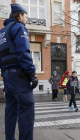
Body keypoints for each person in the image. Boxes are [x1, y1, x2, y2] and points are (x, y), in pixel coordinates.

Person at [0, 3, 38, 140]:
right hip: (19, 76)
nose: (26, 20)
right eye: (26, 17)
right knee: (26, 108)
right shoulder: (19, 28)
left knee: (10, 110)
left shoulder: (2, 32)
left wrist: (4, 73)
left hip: (7, 76)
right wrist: (32, 73)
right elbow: (24, 52)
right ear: (20, 16)